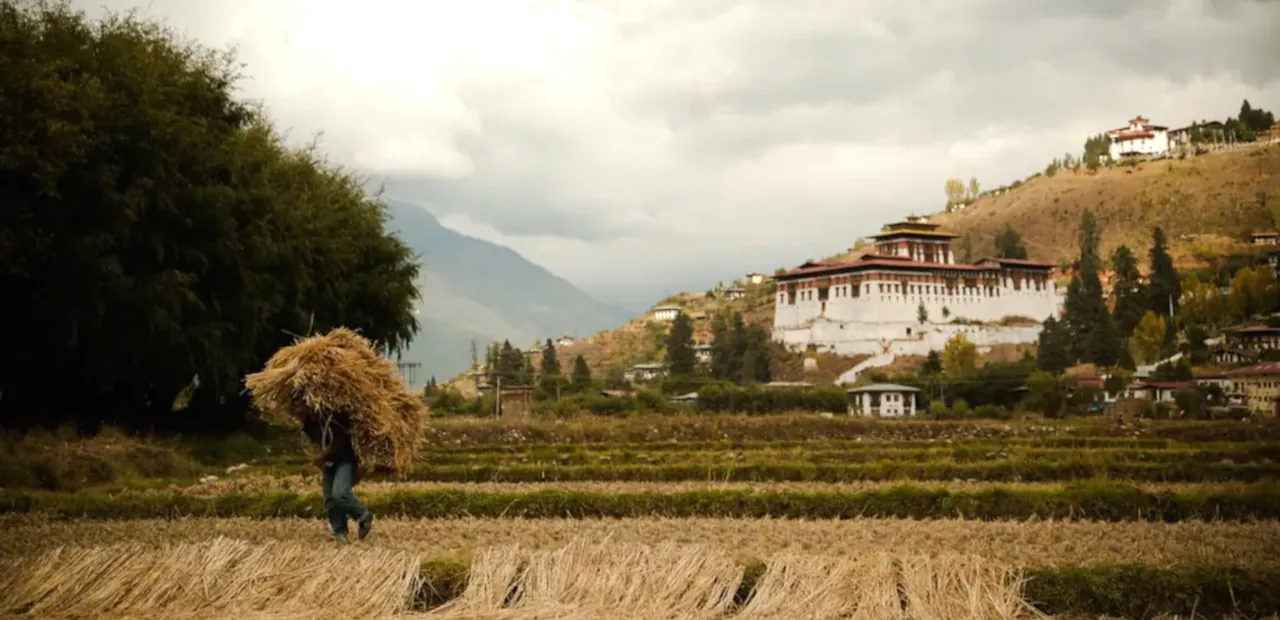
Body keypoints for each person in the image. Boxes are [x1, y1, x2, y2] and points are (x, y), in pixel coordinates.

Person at [304, 413, 373, 542]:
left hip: (345, 461)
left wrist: (323, 455)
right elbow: (314, 442)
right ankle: (339, 532)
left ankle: (362, 514)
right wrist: (318, 456)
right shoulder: (308, 423)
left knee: (340, 493)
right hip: (328, 464)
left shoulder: (334, 416)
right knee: (330, 499)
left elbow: (341, 437)